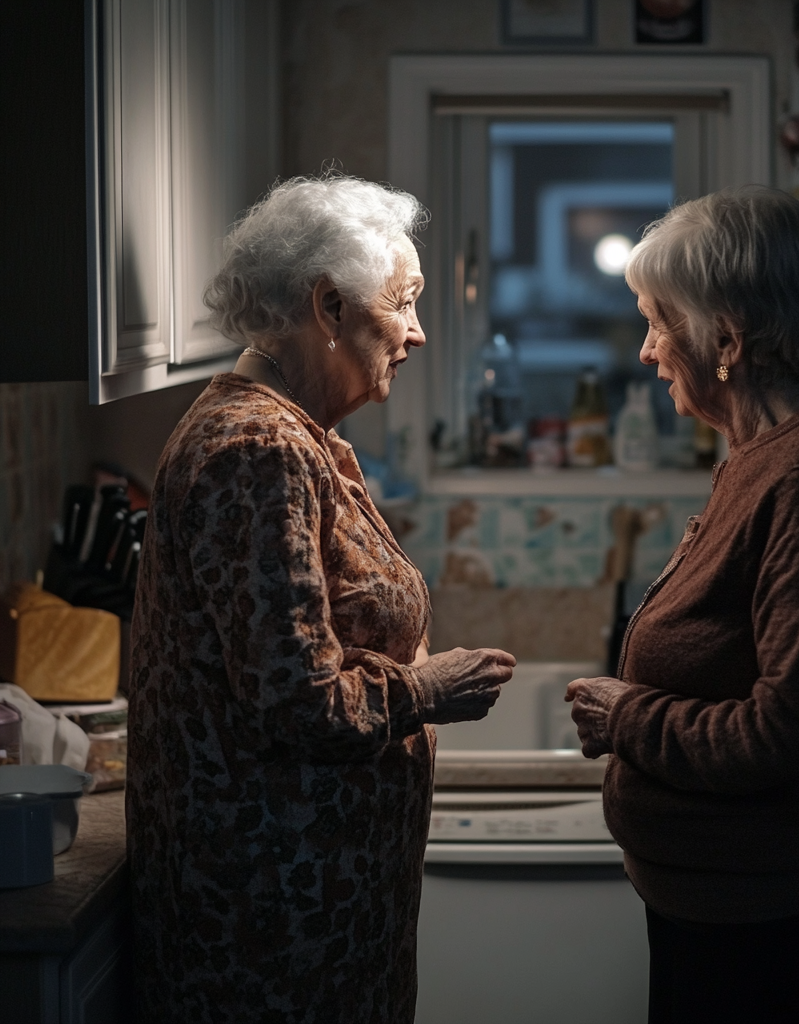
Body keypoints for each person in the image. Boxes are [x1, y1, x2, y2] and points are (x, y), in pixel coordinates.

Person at [127, 175, 516, 1024]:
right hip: (273, 928)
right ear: (330, 307)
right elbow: (295, 699)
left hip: (314, 907)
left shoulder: (289, 432)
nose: (416, 332)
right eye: (404, 303)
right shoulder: (259, 450)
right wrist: (427, 687)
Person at [566, 185, 799, 1024]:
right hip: (723, 903)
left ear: (725, 338)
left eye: (657, 321)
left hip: (770, 920)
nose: (648, 350)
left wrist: (628, 720)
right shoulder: (764, 455)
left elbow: (786, 730)